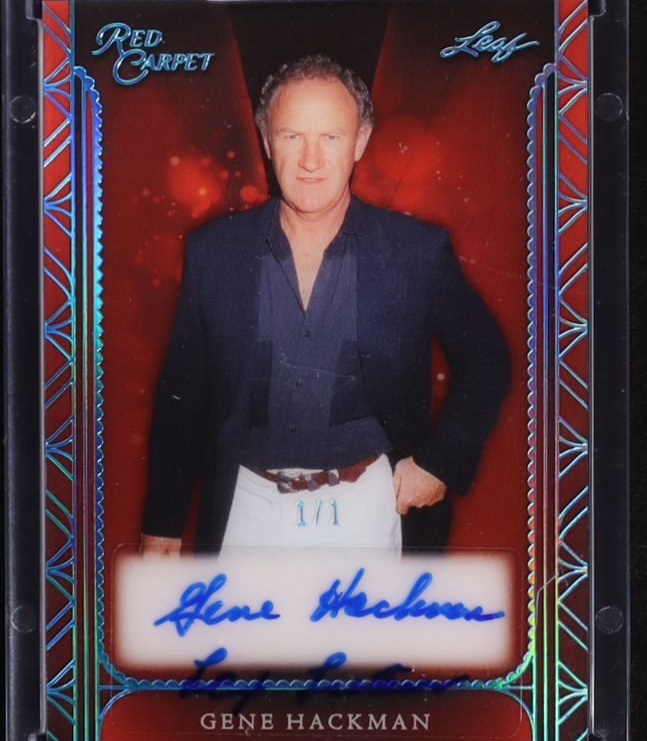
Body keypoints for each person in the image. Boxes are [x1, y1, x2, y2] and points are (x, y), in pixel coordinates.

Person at [140, 55, 510, 556]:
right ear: (267, 140)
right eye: (292, 136)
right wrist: (163, 523)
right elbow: (181, 394)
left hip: (370, 511)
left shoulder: (418, 251)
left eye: (331, 136)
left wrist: (442, 460)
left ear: (360, 140)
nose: (310, 160)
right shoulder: (213, 251)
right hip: (245, 515)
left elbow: (489, 358)